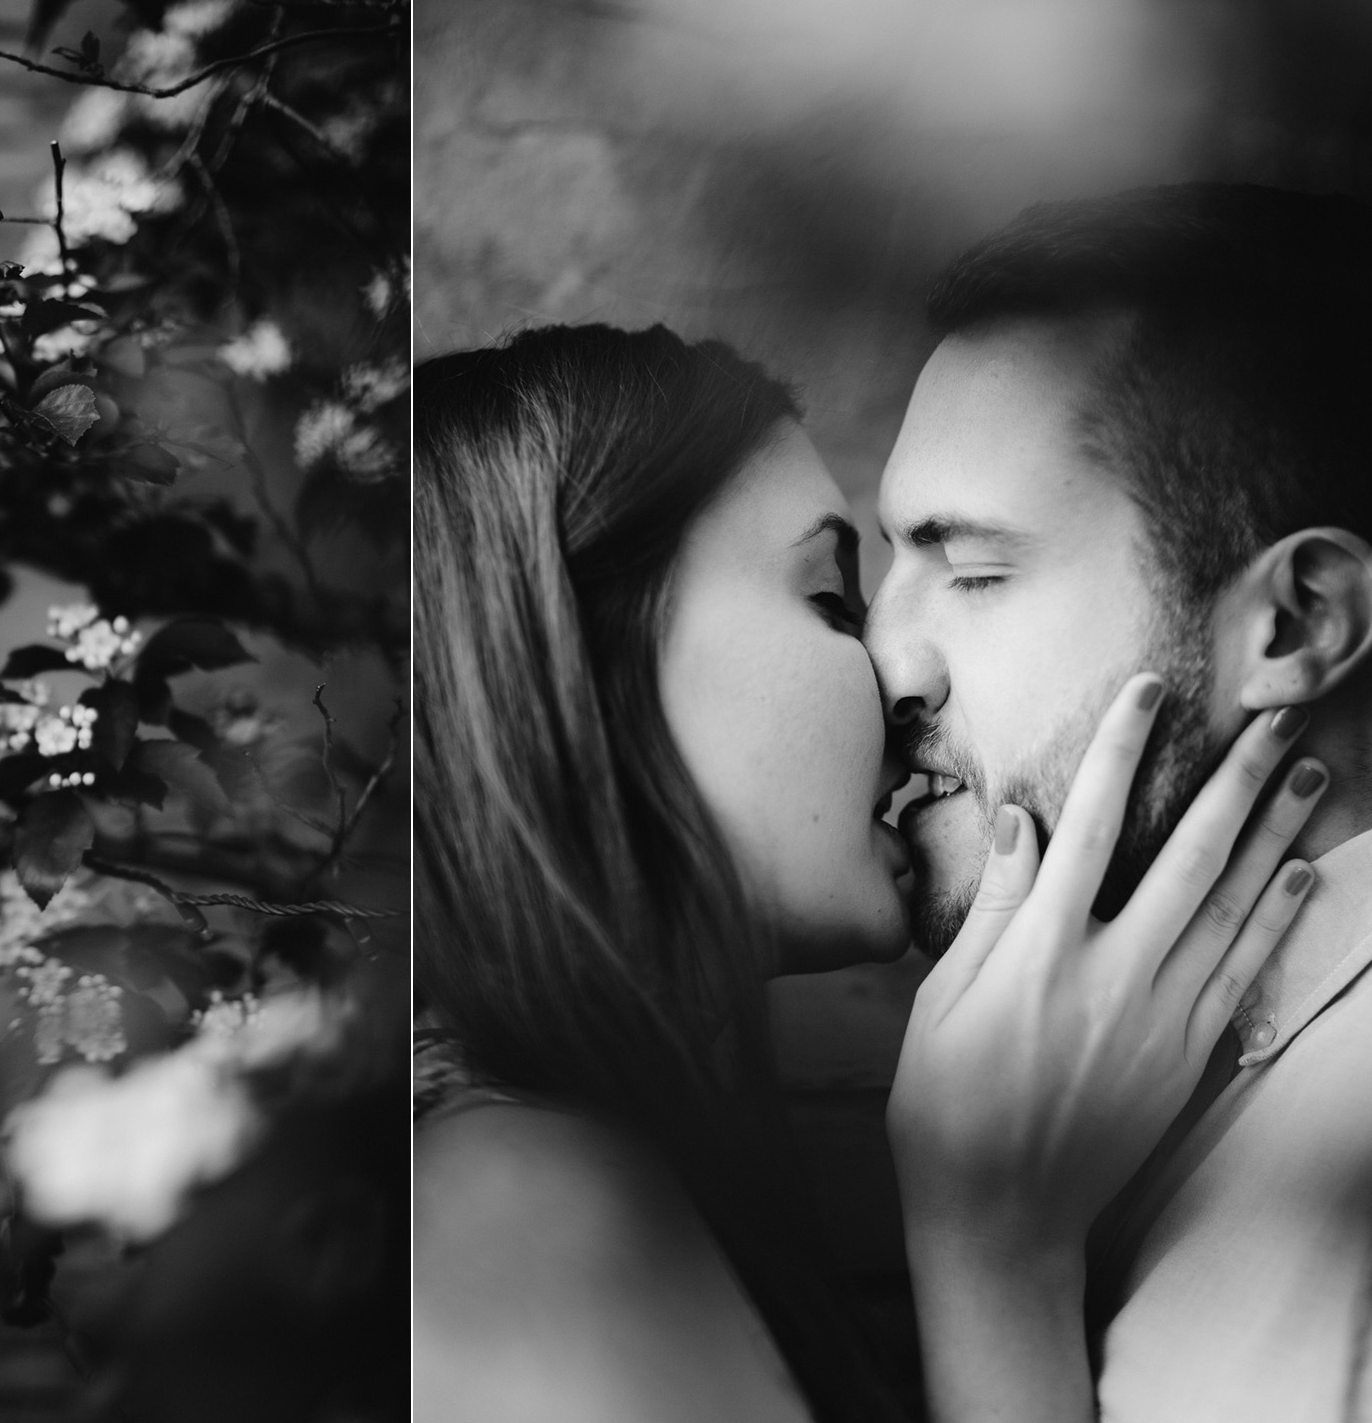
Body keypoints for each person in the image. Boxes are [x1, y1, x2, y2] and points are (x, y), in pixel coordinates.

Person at [413, 323, 1325, 1422]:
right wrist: (995, 1258)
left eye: (978, 575)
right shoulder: (520, 1212)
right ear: (593, 663)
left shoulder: (552, 1165)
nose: (895, 669)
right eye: (832, 602)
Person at [869, 183, 1372, 1422]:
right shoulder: (1128, 1066)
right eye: (877, 572)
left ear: (1300, 622)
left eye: (976, 573)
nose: (888, 660)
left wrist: (990, 1260)